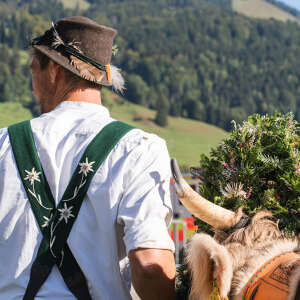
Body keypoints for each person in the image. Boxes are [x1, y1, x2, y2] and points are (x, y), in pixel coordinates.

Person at [0, 16, 176, 300]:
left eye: (34, 71)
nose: (33, 88)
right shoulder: (139, 149)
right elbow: (150, 268)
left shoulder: (3, 144)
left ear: (54, 71)